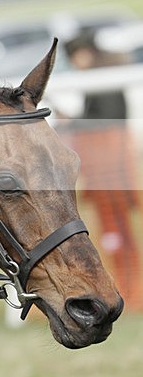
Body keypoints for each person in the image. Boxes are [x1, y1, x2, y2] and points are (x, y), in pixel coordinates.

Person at [61, 31, 142, 310]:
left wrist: (72, 121)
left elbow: (105, 122)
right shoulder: (103, 77)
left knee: (118, 230)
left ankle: (131, 287)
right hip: (109, 169)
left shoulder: (103, 81)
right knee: (117, 231)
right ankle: (127, 285)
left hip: (110, 169)